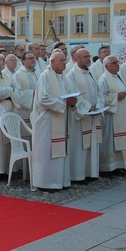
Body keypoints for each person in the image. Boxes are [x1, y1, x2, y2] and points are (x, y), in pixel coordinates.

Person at [32, 51, 76, 190]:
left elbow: (68, 94)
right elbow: (42, 99)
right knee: (47, 152)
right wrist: (64, 104)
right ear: (52, 62)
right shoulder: (45, 76)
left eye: (64, 60)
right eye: (61, 60)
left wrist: (73, 101)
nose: (64, 63)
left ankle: (60, 181)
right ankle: (45, 182)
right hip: (47, 121)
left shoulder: (62, 77)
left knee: (60, 149)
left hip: (61, 118)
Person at [66, 49, 104, 181]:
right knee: (80, 145)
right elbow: (74, 94)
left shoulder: (91, 72)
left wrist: (98, 105)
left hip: (93, 114)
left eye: (89, 56)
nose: (88, 58)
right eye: (85, 56)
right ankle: (78, 174)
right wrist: (87, 108)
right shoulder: (71, 75)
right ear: (77, 58)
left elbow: (99, 91)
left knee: (92, 144)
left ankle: (91, 172)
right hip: (81, 117)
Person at [98, 55, 126, 172]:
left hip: (123, 112)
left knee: (124, 137)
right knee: (112, 141)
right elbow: (101, 98)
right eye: (114, 63)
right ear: (106, 66)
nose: (117, 64)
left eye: (117, 62)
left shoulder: (119, 77)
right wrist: (115, 97)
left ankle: (124, 164)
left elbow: (124, 91)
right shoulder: (103, 79)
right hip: (112, 116)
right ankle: (111, 166)